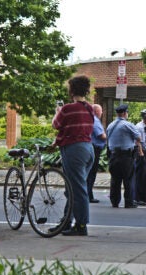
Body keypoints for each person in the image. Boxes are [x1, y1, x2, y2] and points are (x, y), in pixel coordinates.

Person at [52, 75, 94, 236]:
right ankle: (66, 221)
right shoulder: (89, 108)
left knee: (78, 189)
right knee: (73, 188)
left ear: (71, 90)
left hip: (74, 150)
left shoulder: (68, 108)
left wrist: (58, 112)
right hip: (88, 149)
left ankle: (81, 225)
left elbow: (56, 125)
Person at [107, 104, 143, 208]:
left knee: (115, 180)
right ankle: (129, 202)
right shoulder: (127, 125)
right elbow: (138, 138)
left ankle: (114, 201)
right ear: (124, 113)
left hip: (113, 156)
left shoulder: (110, 125)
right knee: (128, 179)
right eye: (127, 112)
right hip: (126, 156)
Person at [86, 104, 107, 203]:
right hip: (95, 149)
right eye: (101, 111)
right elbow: (101, 136)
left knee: (89, 172)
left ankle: (88, 194)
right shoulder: (95, 120)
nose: (102, 113)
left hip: (91, 147)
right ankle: (89, 195)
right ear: (97, 111)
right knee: (91, 173)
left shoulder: (90, 119)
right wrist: (109, 137)